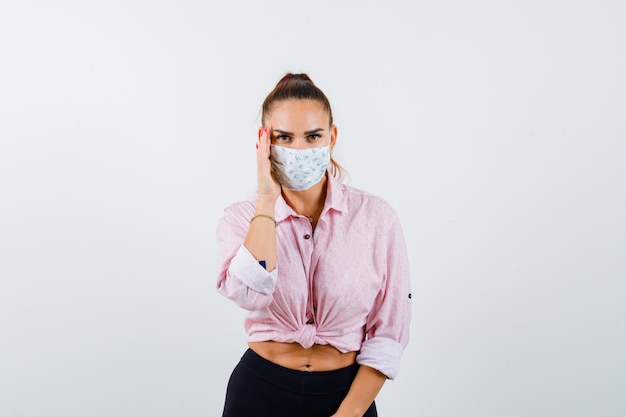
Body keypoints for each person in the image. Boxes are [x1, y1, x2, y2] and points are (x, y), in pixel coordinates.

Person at [216, 73, 412, 417]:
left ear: (332, 137)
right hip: (258, 393)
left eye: (313, 136)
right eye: (284, 138)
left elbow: (390, 330)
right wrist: (266, 201)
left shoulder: (378, 219)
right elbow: (249, 293)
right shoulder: (239, 218)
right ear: (264, 141)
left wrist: (349, 413)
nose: (299, 150)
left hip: (347, 396)